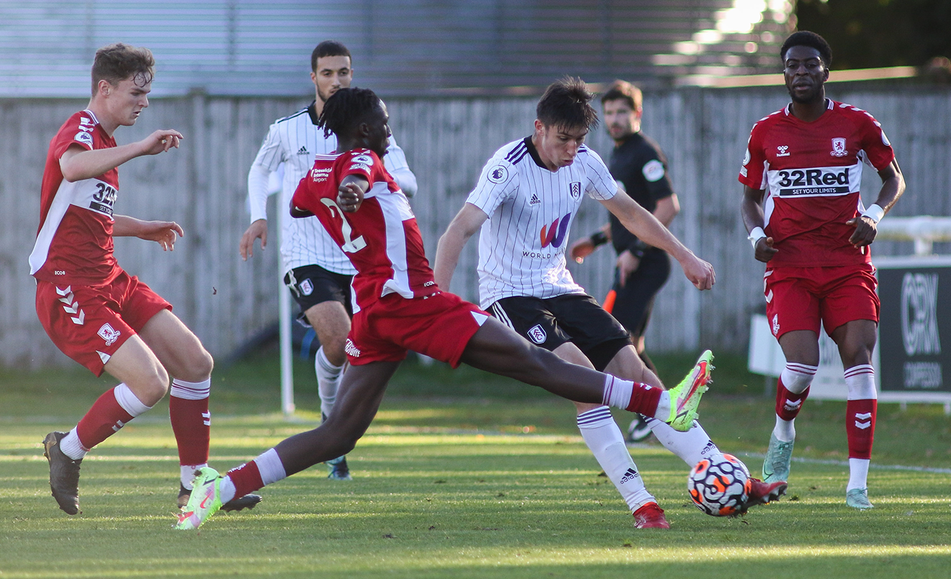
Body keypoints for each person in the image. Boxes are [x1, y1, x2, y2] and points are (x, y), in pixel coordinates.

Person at [175, 87, 713, 531]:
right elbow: (356, 175)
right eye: (383, 122)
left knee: (338, 434)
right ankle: (664, 405)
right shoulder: (363, 161)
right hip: (418, 303)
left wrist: (343, 194)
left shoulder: (315, 172)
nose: (389, 130)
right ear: (364, 130)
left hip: (375, 307)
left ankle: (218, 488)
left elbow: (300, 199)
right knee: (540, 364)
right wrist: (357, 189)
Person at [434, 77, 786, 528]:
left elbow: (633, 213)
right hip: (510, 294)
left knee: (638, 373)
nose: (570, 150)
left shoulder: (585, 161)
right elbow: (457, 231)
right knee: (583, 379)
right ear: (539, 127)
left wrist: (685, 256)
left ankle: (725, 475)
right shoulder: (507, 166)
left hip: (560, 286)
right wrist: (437, 305)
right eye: (563, 140)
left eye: (579, 140)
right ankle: (642, 503)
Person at [32, 43, 258, 515]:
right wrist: (141, 148)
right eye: (137, 92)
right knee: (151, 383)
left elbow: (88, 212)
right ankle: (67, 449)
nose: (145, 102)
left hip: (109, 277)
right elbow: (71, 166)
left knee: (195, 363)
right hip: (68, 285)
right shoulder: (82, 128)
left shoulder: (107, 144)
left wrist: (143, 227)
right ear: (104, 88)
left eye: (148, 93)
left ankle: (194, 486)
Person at [739, 31, 905, 510]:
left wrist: (872, 216)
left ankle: (857, 487)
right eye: (792, 66)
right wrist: (756, 238)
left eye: (810, 64)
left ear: (825, 71)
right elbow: (749, 199)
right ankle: (783, 430)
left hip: (847, 264)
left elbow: (893, 177)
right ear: (784, 73)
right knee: (802, 364)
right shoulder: (765, 132)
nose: (801, 73)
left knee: (859, 360)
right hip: (790, 266)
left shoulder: (857, 124)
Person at [238, 41, 417, 481]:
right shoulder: (288, 129)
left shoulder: (369, 125)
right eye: (328, 73)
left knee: (355, 349)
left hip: (360, 257)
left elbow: (408, 179)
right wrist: (258, 216)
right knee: (337, 342)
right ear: (313, 77)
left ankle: (333, 427)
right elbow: (260, 170)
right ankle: (330, 424)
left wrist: (370, 178)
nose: (337, 80)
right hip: (306, 254)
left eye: (344, 72)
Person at [569, 79, 678, 443]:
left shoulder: (644, 152)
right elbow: (627, 216)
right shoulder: (617, 154)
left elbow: (666, 207)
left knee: (619, 340)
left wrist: (637, 251)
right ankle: (661, 409)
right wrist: (598, 239)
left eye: (622, 112)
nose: (615, 119)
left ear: (638, 115)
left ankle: (657, 410)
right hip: (630, 261)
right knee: (634, 342)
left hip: (647, 263)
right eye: (610, 112)